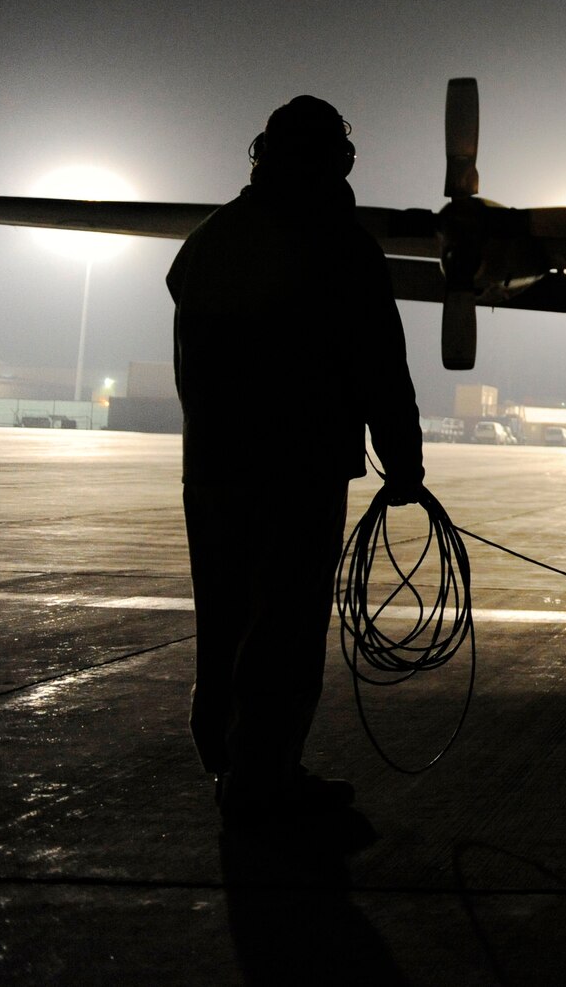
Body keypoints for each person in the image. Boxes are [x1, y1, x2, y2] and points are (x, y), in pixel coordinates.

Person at [169, 96, 426, 817]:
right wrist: (402, 463)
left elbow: (178, 291)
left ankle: (230, 766)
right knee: (283, 627)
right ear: (337, 160)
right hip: (297, 469)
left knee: (223, 620)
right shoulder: (339, 243)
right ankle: (263, 782)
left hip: (213, 468)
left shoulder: (213, 237)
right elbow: (379, 361)